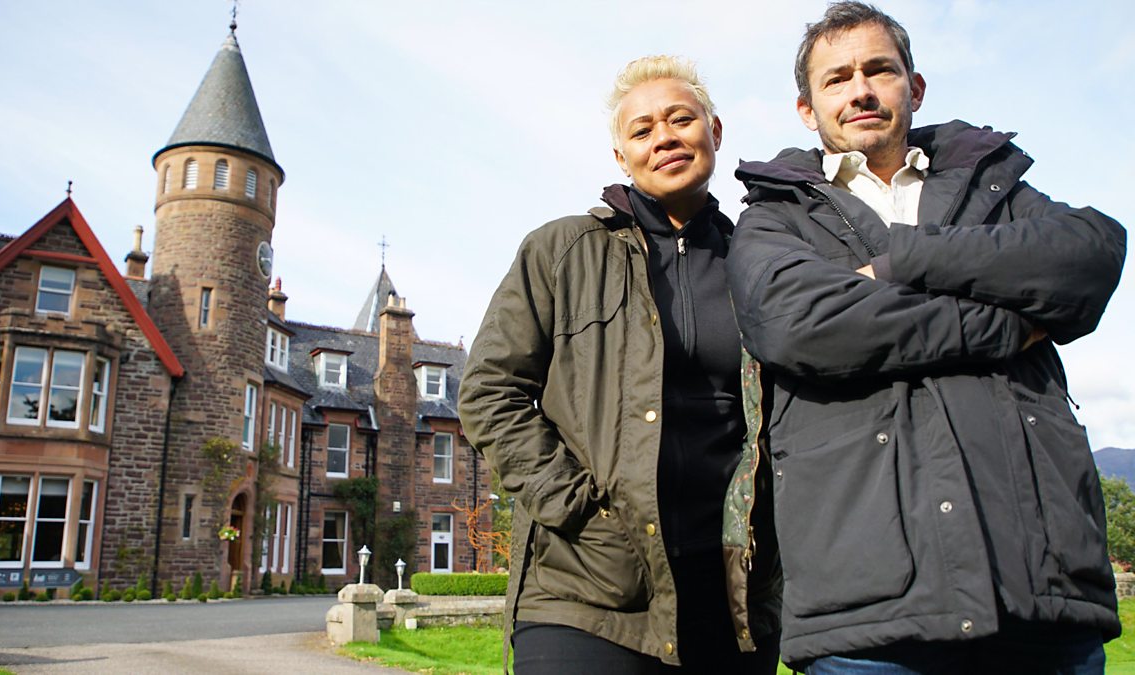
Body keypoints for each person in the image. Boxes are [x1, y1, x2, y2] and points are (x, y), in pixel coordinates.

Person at [726, 2, 1126, 673]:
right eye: (837, 78)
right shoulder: (775, 217)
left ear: (913, 87)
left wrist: (905, 261)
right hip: (869, 615)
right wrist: (1006, 321)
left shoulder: (995, 185)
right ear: (807, 109)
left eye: (878, 70)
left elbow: (1089, 254)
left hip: (1040, 592)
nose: (860, 90)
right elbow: (801, 325)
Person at [459, 55, 782, 673]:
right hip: (586, 587)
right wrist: (580, 511)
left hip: (732, 592)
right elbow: (489, 393)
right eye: (642, 130)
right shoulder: (561, 251)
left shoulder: (760, 262)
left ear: (714, 132)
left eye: (681, 119)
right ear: (620, 157)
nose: (665, 137)